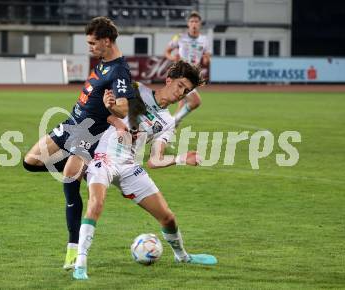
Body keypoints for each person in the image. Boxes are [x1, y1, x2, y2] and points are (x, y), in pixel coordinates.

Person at [72, 61, 217, 280]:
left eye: (186, 91)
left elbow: (154, 160)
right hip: (104, 156)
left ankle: (183, 256)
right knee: (96, 203)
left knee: (167, 217)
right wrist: (113, 114)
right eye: (179, 86)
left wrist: (180, 158)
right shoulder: (137, 90)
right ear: (168, 80)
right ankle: (80, 262)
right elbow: (100, 111)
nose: (181, 93)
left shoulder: (168, 122)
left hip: (130, 166)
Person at [22, 16, 135, 270]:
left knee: (69, 182)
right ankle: (86, 169)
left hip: (88, 133)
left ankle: (73, 250)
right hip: (71, 123)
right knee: (30, 161)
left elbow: (126, 106)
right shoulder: (102, 62)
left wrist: (113, 107)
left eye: (93, 43)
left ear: (107, 41)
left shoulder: (119, 69)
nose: (90, 47)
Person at [164, 11, 211, 127]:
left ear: (200, 24)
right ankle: (172, 122)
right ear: (188, 24)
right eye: (192, 21)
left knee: (180, 103)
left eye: (196, 21)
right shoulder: (179, 37)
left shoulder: (204, 40)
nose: (194, 24)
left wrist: (206, 59)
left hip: (192, 75)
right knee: (195, 101)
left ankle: (169, 126)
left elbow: (207, 57)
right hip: (181, 73)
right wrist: (172, 57)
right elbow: (167, 51)